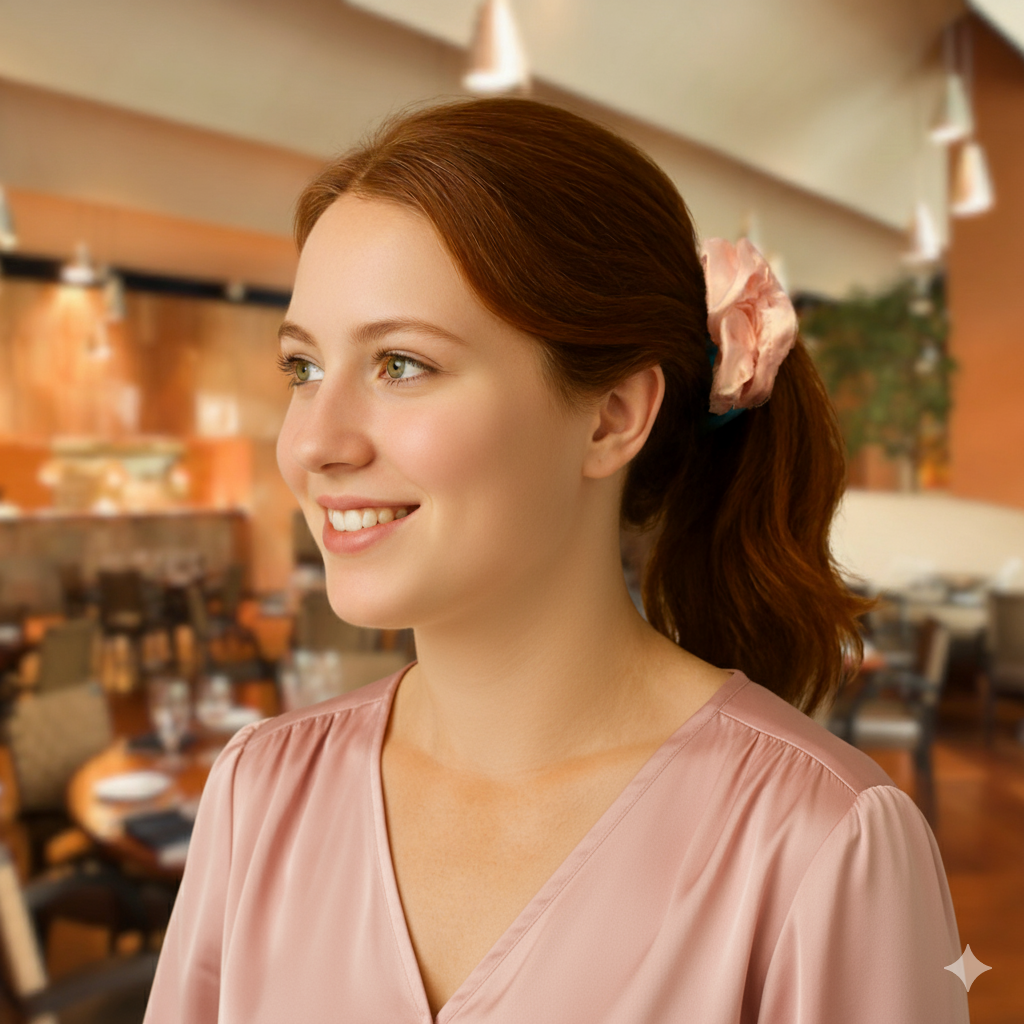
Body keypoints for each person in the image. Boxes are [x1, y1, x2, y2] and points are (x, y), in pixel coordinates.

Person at [143, 98, 969, 1024]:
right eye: (302, 368)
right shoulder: (259, 794)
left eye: (401, 364)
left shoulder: (822, 843)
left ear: (613, 415)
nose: (314, 445)